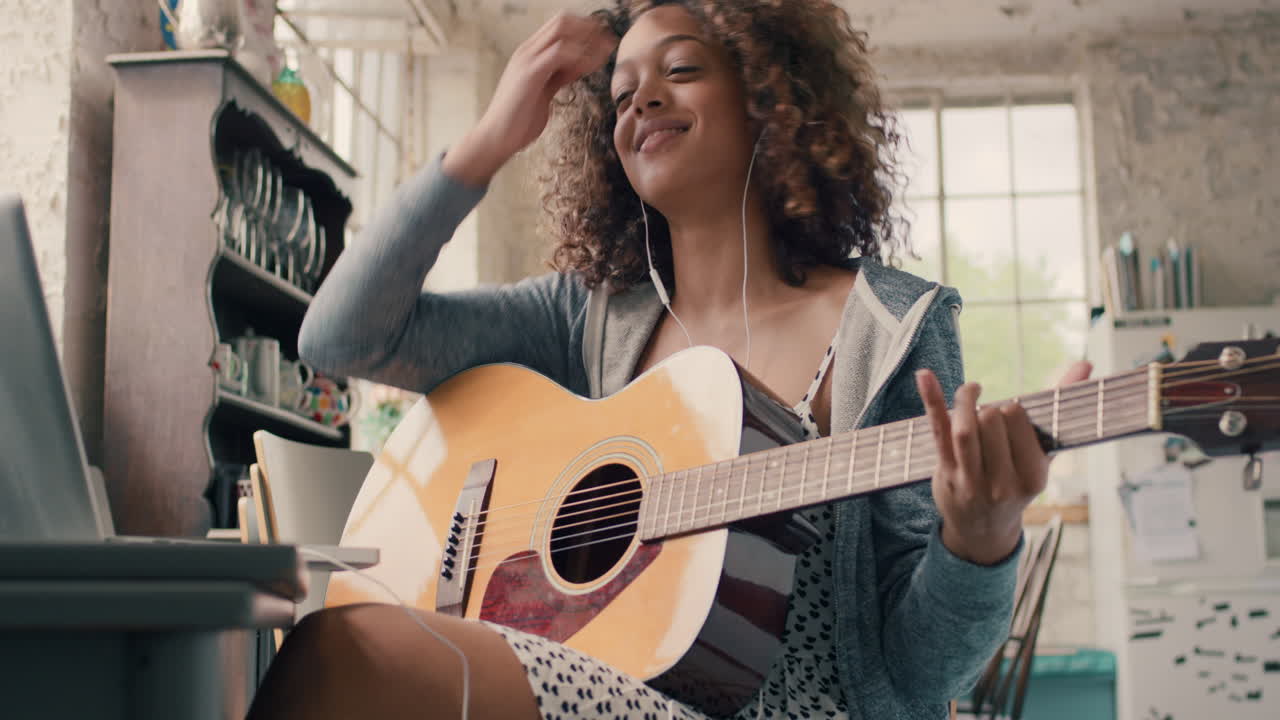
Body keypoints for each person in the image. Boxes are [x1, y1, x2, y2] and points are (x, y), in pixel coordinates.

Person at [246, 1, 1091, 719]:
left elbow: (925, 674)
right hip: (606, 684)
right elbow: (340, 337)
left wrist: (981, 537)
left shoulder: (892, 327)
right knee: (347, 647)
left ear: (766, 95)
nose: (643, 98)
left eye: (681, 69)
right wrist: (490, 139)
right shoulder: (587, 319)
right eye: (620, 95)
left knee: (350, 653)